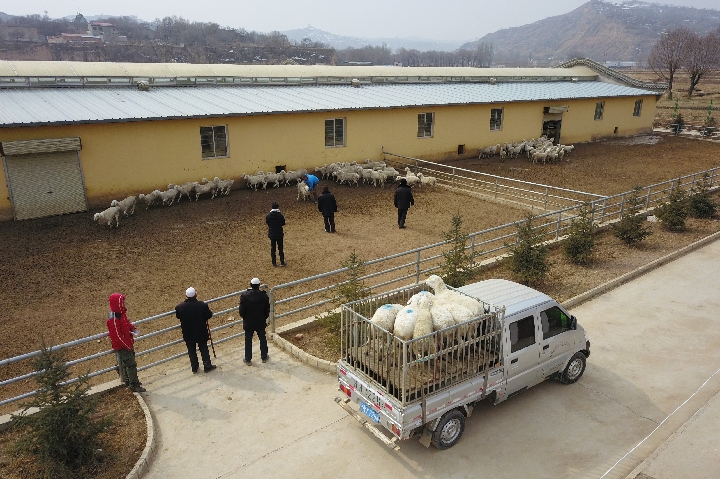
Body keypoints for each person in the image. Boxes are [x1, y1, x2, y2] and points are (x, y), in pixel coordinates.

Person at [106, 293, 145, 392]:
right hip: (123, 346)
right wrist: (127, 345)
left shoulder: (121, 314)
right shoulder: (114, 318)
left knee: (127, 363)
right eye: (122, 301)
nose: (124, 303)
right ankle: (134, 385)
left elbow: (126, 323)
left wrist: (132, 328)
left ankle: (129, 380)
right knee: (131, 364)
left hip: (127, 343)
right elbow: (117, 336)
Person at [175, 287, 217, 374]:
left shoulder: (179, 307)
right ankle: (207, 365)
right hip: (200, 331)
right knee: (203, 348)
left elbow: (178, 316)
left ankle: (194, 367)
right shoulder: (202, 305)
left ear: (186, 296)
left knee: (191, 350)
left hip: (188, 332)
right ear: (195, 295)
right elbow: (209, 315)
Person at [239, 277, 270, 366]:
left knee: (248, 340)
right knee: (262, 338)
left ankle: (248, 359)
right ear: (259, 285)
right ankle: (264, 357)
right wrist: (264, 317)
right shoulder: (264, 296)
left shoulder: (244, 296)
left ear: (251, 285)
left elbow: (241, 311)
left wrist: (245, 318)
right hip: (260, 321)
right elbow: (266, 310)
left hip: (248, 322)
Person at [266, 202, 286, 267]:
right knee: (280, 248)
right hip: (279, 233)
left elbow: (267, 223)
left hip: (272, 234)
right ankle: (282, 262)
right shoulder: (280, 215)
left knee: (273, 248)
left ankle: (274, 263)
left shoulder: (268, 215)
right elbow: (283, 223)